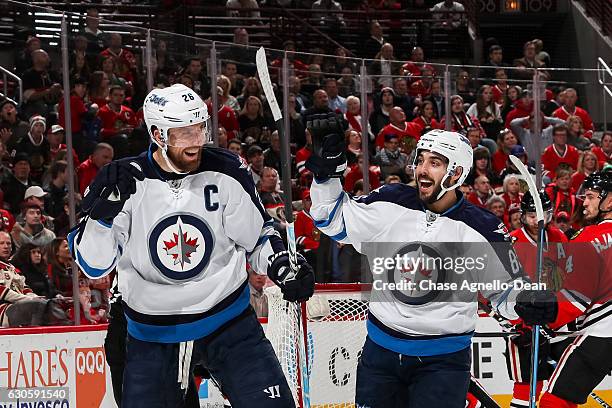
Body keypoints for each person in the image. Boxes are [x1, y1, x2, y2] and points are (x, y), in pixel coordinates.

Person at [68, 84, 314, 407]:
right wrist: (101, 220)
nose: (196, 142)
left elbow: (257, 238)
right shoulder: (124, 182)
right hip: (152, 334)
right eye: (184, 133)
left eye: (199, 129)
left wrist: (281, 263)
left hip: (228, 323)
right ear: (157, 133)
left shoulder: (226, 170)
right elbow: (93, 265)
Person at [306, 120, 526, 407]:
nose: (422, 169)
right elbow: (331, 219)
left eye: (434, 162)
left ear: (456, 172)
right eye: (420, 160)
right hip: (380, 356)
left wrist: (528, 302)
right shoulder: (391, 201)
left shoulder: (482, 228)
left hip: (442, 364)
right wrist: (327, 175)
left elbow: (507, 293)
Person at [514, 170, 612, 408]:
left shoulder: (589, 237)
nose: (584, 202)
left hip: (601, 334)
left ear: (609, 200)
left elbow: (575, 298)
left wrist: (541, 319)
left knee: (554, 401)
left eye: (590, 196)